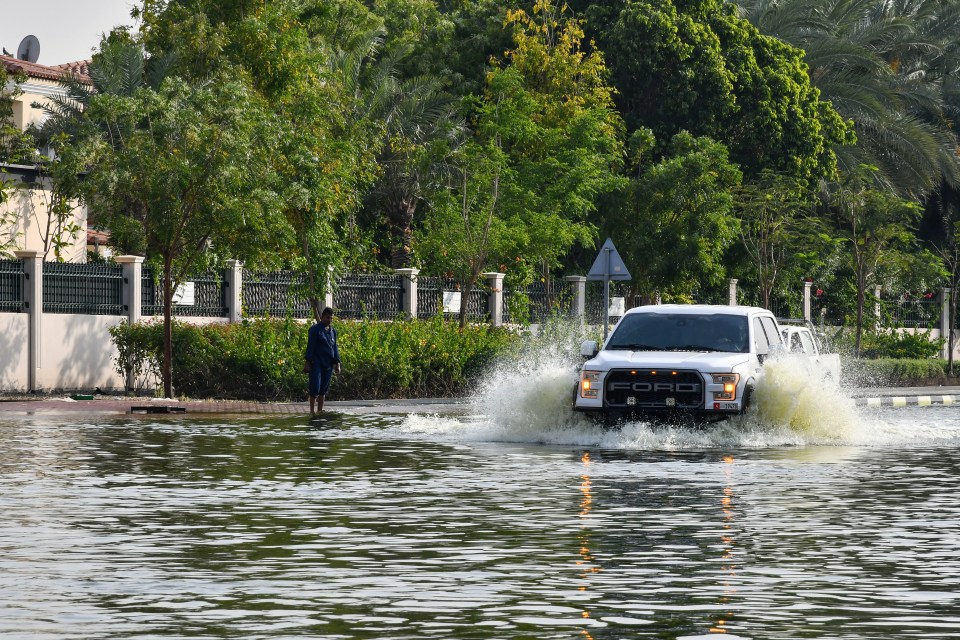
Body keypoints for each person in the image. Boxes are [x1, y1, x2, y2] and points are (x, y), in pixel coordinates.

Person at [304, 307, 341, 414]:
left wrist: (337, 363)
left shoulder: (333, 331)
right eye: (327, 318)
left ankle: (320, 410)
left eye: (331, 318)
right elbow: (310, 346)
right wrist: (307, 362)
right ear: (322, 317)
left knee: (323, 389)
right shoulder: (315, 330)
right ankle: (312, 411)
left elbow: (335, 348)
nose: (329, 320)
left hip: (328, 364)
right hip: (317, 363)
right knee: (315, 387)